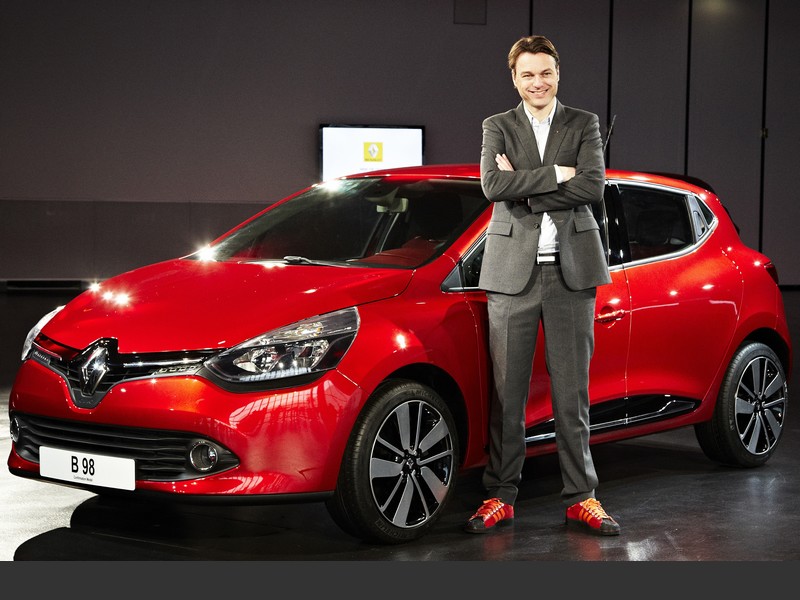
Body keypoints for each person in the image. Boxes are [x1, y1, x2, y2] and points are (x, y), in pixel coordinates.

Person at [465, 35, 619, 536]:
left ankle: (582, 497)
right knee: (507, 395)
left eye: (546, 73)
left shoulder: (583, 123)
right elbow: (492, 185)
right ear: (514, 79)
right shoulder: (497, 125)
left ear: (558, 74)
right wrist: (556, 173)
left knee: (572, 395)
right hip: (512, 275)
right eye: (528, 74)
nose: (538, 82)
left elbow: (593, 186)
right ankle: (500, 495)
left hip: (571, 274)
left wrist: (526, 188)